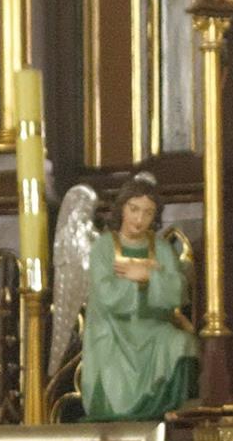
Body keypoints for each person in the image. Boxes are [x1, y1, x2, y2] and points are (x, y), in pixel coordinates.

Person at [81, 178, 198, 424]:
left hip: (154, 327)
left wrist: (147, 276)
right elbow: (106, 294)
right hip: (114, 329)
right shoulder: (104, 247)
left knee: (181, 342)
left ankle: (170, 408)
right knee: (111, 361)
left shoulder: (161, 248)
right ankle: (116, 410)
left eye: (148, 212)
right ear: (122, 209)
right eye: (134, 209)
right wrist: (140, 280)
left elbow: (178, 290)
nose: (139, 218)